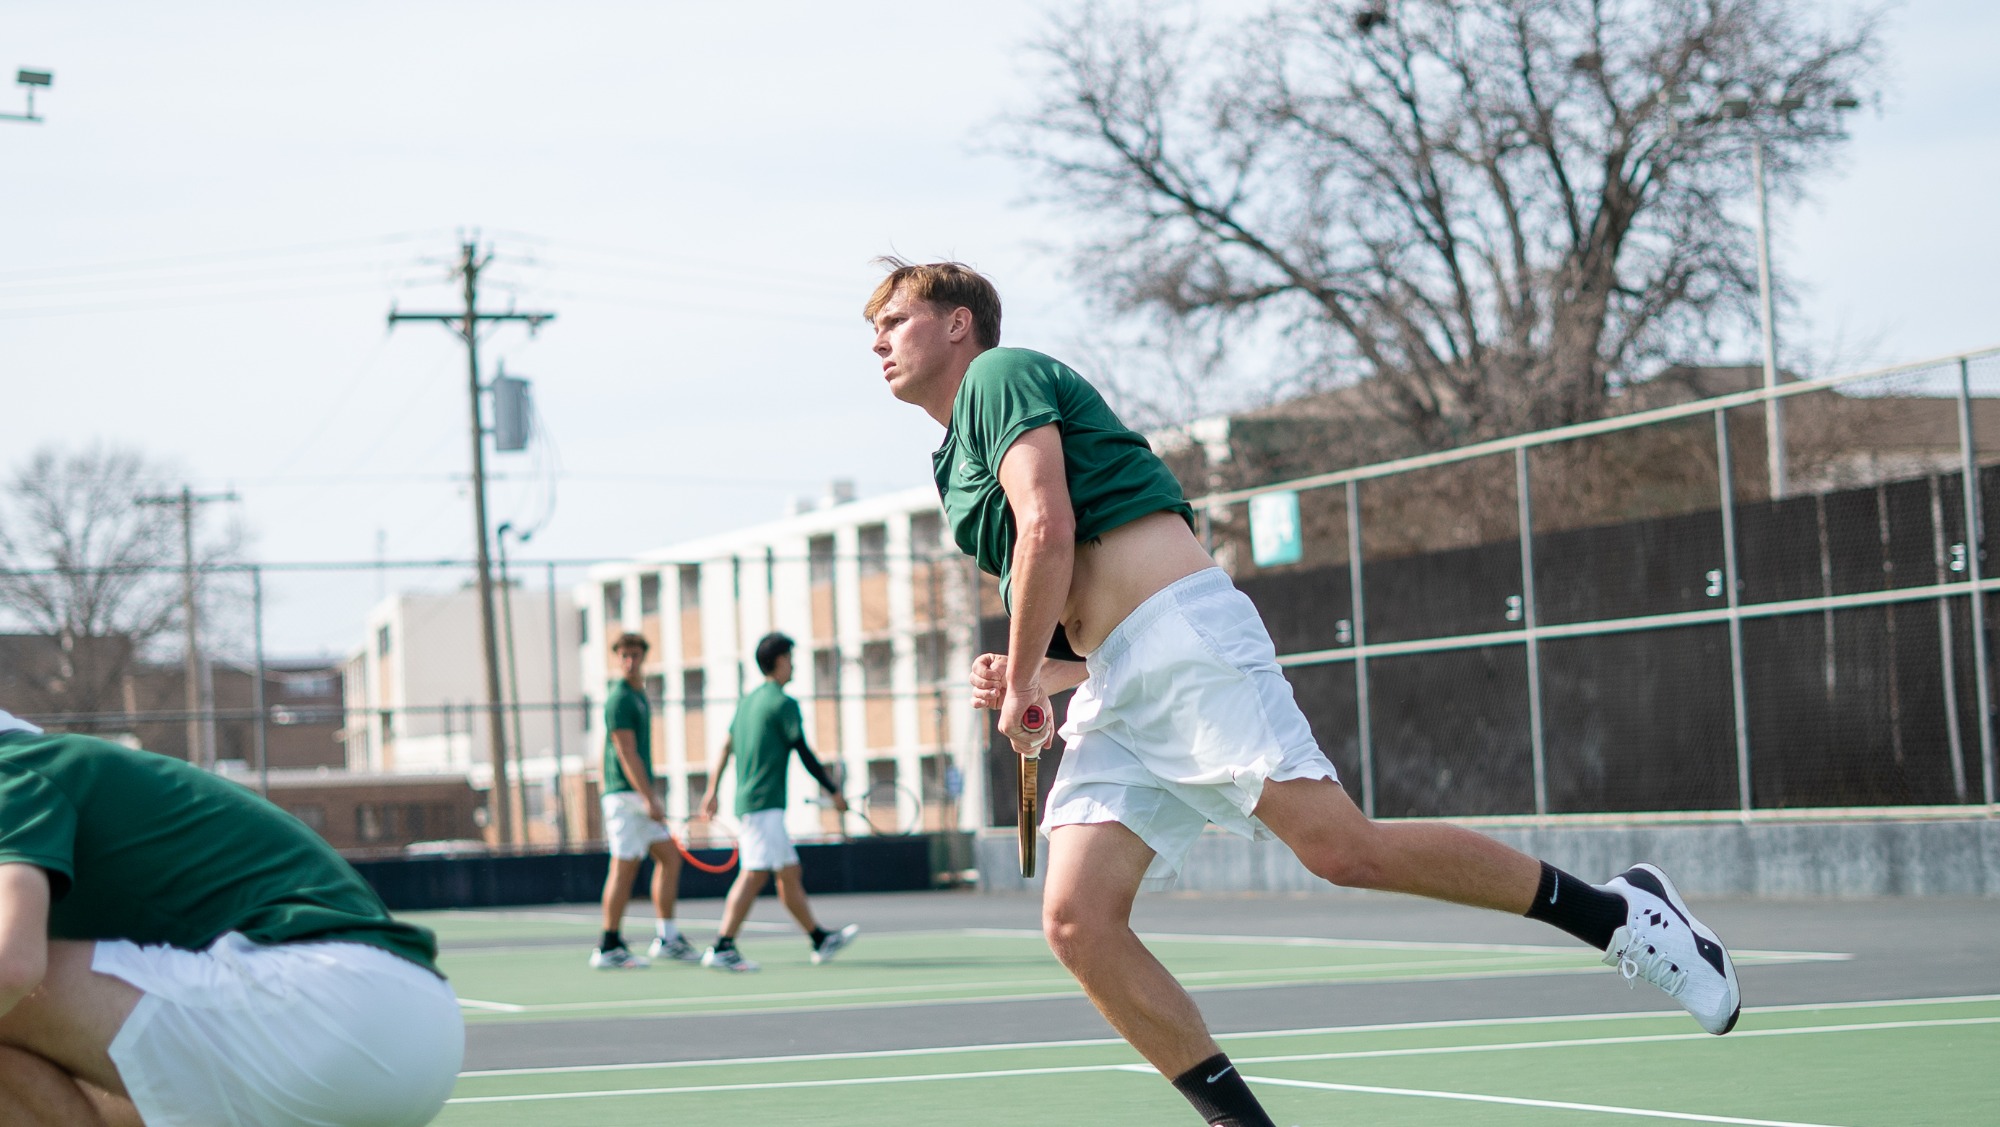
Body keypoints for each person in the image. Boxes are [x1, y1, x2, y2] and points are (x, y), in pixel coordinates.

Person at [864, 259, 1742, 1127]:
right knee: (1076, 919)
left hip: (1182, 635)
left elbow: (1048, 528)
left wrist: (1018, 675)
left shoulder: (998, 376)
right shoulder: (951, 468)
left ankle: (1624, 916)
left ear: (956, 324)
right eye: (873, 329)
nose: (878, 341)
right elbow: (1074, 617)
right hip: (1123, 680)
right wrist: (1034, 678)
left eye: (895, 319)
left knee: (1341, 849)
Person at [0, 706, 462, 1127]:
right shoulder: (56, 765)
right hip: (413, 1037)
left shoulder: (13, 769)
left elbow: (12, 968)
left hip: (320, 1011)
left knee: (17, 996)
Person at [697, 632, 860, 972]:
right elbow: (803, 752)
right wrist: (833, 790)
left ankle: (819, 938)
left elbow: (726, 747)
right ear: (780, 660)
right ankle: (722, 946)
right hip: (763, 805)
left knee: (788, 872)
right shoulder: (784, 703)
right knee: (754, 874)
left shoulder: (748, 701)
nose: (794, 663)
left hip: (755, 804)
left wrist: (712, 789)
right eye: (790, 656)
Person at [591, 632, 697, 969]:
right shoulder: (619, 698)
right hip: (625, 797)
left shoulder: (638, 695)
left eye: (635, 655)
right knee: (623, 868)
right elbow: (624, 751)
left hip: (636, 795)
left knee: (669, 857)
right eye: (624, 655)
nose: (630, 661)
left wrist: (648, 797)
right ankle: (608, 945)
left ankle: (667, 937)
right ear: (617, 658)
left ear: (644, 657)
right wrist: (648, 798)